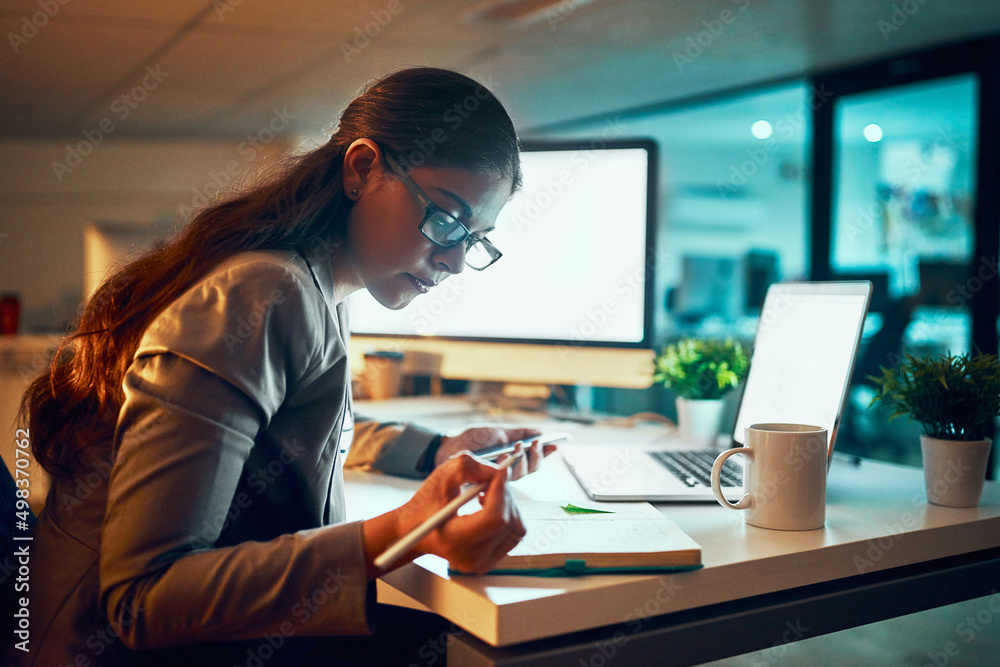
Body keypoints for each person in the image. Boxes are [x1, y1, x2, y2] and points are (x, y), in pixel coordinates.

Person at [9, 67, 556, 666]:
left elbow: (280, 437)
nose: (453, 261)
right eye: (447, 220)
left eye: (474, 239)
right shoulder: (267, 291)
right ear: (362, 168)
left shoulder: (322, 282)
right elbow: (144, 600)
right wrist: (408, 529)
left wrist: (435, 451)